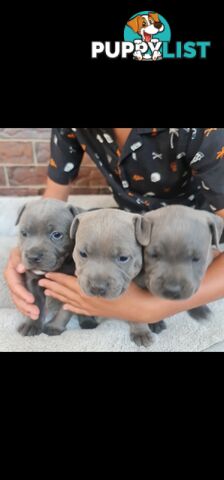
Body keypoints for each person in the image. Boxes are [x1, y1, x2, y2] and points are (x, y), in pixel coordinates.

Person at [4, 128, 224, 325]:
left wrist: (152, 308)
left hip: (189, 230)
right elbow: (53, 202)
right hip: (125, 226)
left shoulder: (203, 132)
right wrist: (26, 247)